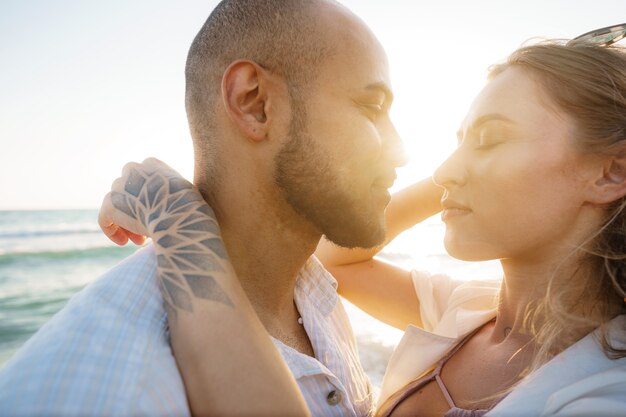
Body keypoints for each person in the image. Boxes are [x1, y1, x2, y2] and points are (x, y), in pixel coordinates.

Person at [98, 29, 626, 416]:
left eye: (490, 138)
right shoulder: (466, 309)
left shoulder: (603, 395)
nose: (442, 169)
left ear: (611, 172)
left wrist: (181, 221)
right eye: (457, 142)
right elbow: (340, 259)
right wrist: (458, 179)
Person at [0, 1, 417, 416]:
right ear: (254, 103)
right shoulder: (120, 395)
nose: (401, 153)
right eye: (371, 107)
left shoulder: (313, 294)